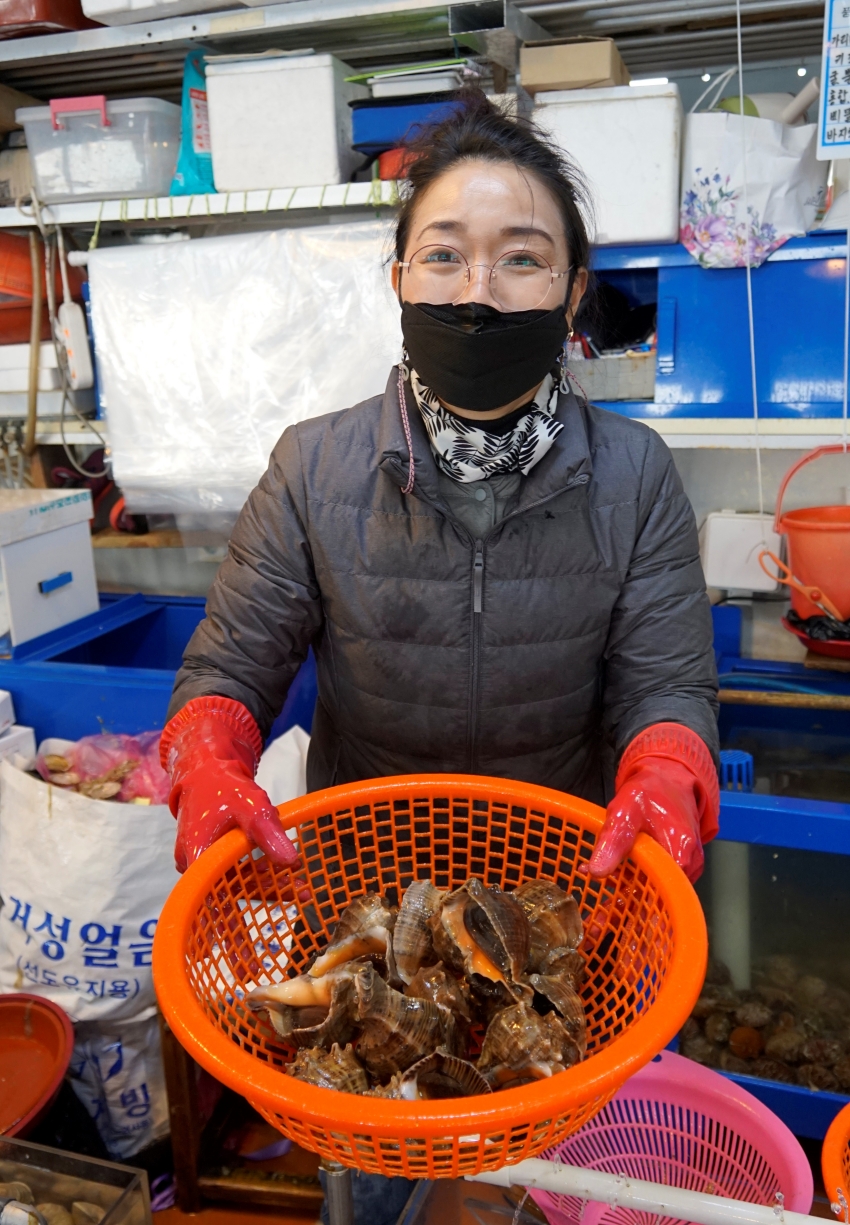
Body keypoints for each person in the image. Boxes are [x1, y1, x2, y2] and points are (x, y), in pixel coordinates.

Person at [161, 90, 720, 891]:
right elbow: (231, 665)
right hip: (366, 895)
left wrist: (667, 765)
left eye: (521, 260)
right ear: (400, 279)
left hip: (564, 891)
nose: (476, 292)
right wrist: (209, 752)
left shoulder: (636, 473)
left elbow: (665, 683)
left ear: (571, 293)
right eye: (443, 256)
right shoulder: (311, 466)